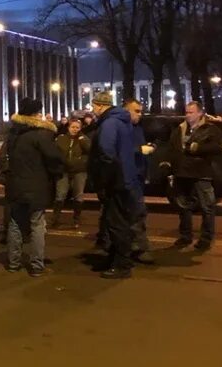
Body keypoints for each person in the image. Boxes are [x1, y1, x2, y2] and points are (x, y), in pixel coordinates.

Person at [1, 97, 65, 276]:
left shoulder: (13, 135)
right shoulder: (41, 135)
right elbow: (55, 159)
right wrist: (56, 173)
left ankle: (13, 263)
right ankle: (36, 265)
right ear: (36, 114)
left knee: (15, 224)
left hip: (15, 186)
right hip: (37, 186)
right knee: (37, 225)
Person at [88, 92, 137, 279]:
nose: (92, 109)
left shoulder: (108, 124)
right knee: (119, 221)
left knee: (116, 223)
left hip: (115, 181)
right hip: (124, 177)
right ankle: (116, 258)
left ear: (100, 105)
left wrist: (103, 180)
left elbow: (106, 153)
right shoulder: (121, 121)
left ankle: (122, 264)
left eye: (93, 106)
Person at [165, 101, 222, 250]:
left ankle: (205, 238)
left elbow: (218, 148)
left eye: (191, 112)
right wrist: (167, 164)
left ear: (200, 113)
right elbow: (172, 148)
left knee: (207, 207)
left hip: (201, 173)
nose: (188, 115)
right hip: (182, 173)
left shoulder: (210, 129)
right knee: (183, 207)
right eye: (186, 112)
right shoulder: (179, 129)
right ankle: (185, 236)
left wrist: (198, 148)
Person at [124, 99, 154, 264]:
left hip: (137, 176)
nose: (140, 114)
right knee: (137, 213)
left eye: (141, 111)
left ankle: (133, 247)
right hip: (128, 177)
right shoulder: (122, 128)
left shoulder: (137, 129)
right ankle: (140, 248)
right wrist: (138, 150)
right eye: (136, 111)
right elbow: (118, 151)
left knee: (135, 213)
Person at [52, 118, 90, 229]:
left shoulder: (83, 138)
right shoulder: (61, 138)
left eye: (77, 127)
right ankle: (55, 218)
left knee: (78, 196)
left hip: (79, 171)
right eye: (73, 127)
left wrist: (82, 139)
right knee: (60, 195)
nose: (75, 129)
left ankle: (76, 219)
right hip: (63, 170)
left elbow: (90, 150)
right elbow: (55, 152)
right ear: (68, 127)